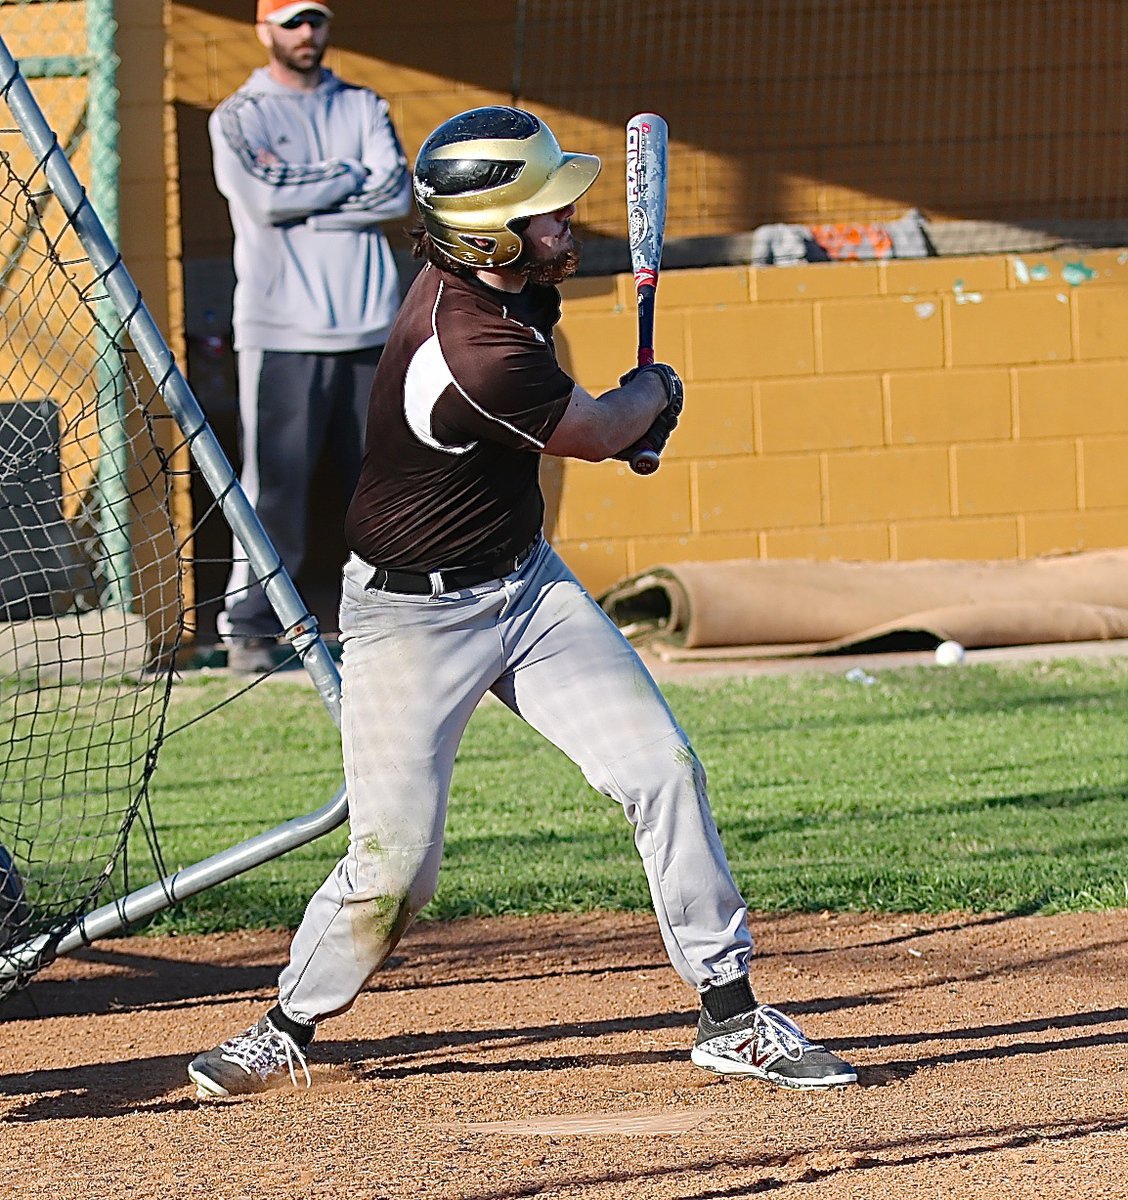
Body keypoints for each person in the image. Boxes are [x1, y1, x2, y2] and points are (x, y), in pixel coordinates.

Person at [187, 106, 857, 1097]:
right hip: (409, 621)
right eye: (547, 215)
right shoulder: (472, 345)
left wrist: (613, 418)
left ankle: (731, 1014)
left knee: (661, 769)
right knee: (396, 868)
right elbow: (587, 429)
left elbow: (566, 420)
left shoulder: (506, 292)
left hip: (523, 589)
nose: (567, 224)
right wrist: (654, 395)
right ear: (489, 236)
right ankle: (286, 1024)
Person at [209, 0, 412, 673]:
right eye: (292, 21)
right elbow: (264, 198)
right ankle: (252, 625)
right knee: (276, 486)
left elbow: (396, 194)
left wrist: (313, 203)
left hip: (369, 325)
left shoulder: (363, 105)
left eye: (316, 20)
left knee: (382, 479)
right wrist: (349, 174)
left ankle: (394, 615)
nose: (306, 33)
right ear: (264, 28)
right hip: (281, 330)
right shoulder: (239, 115)